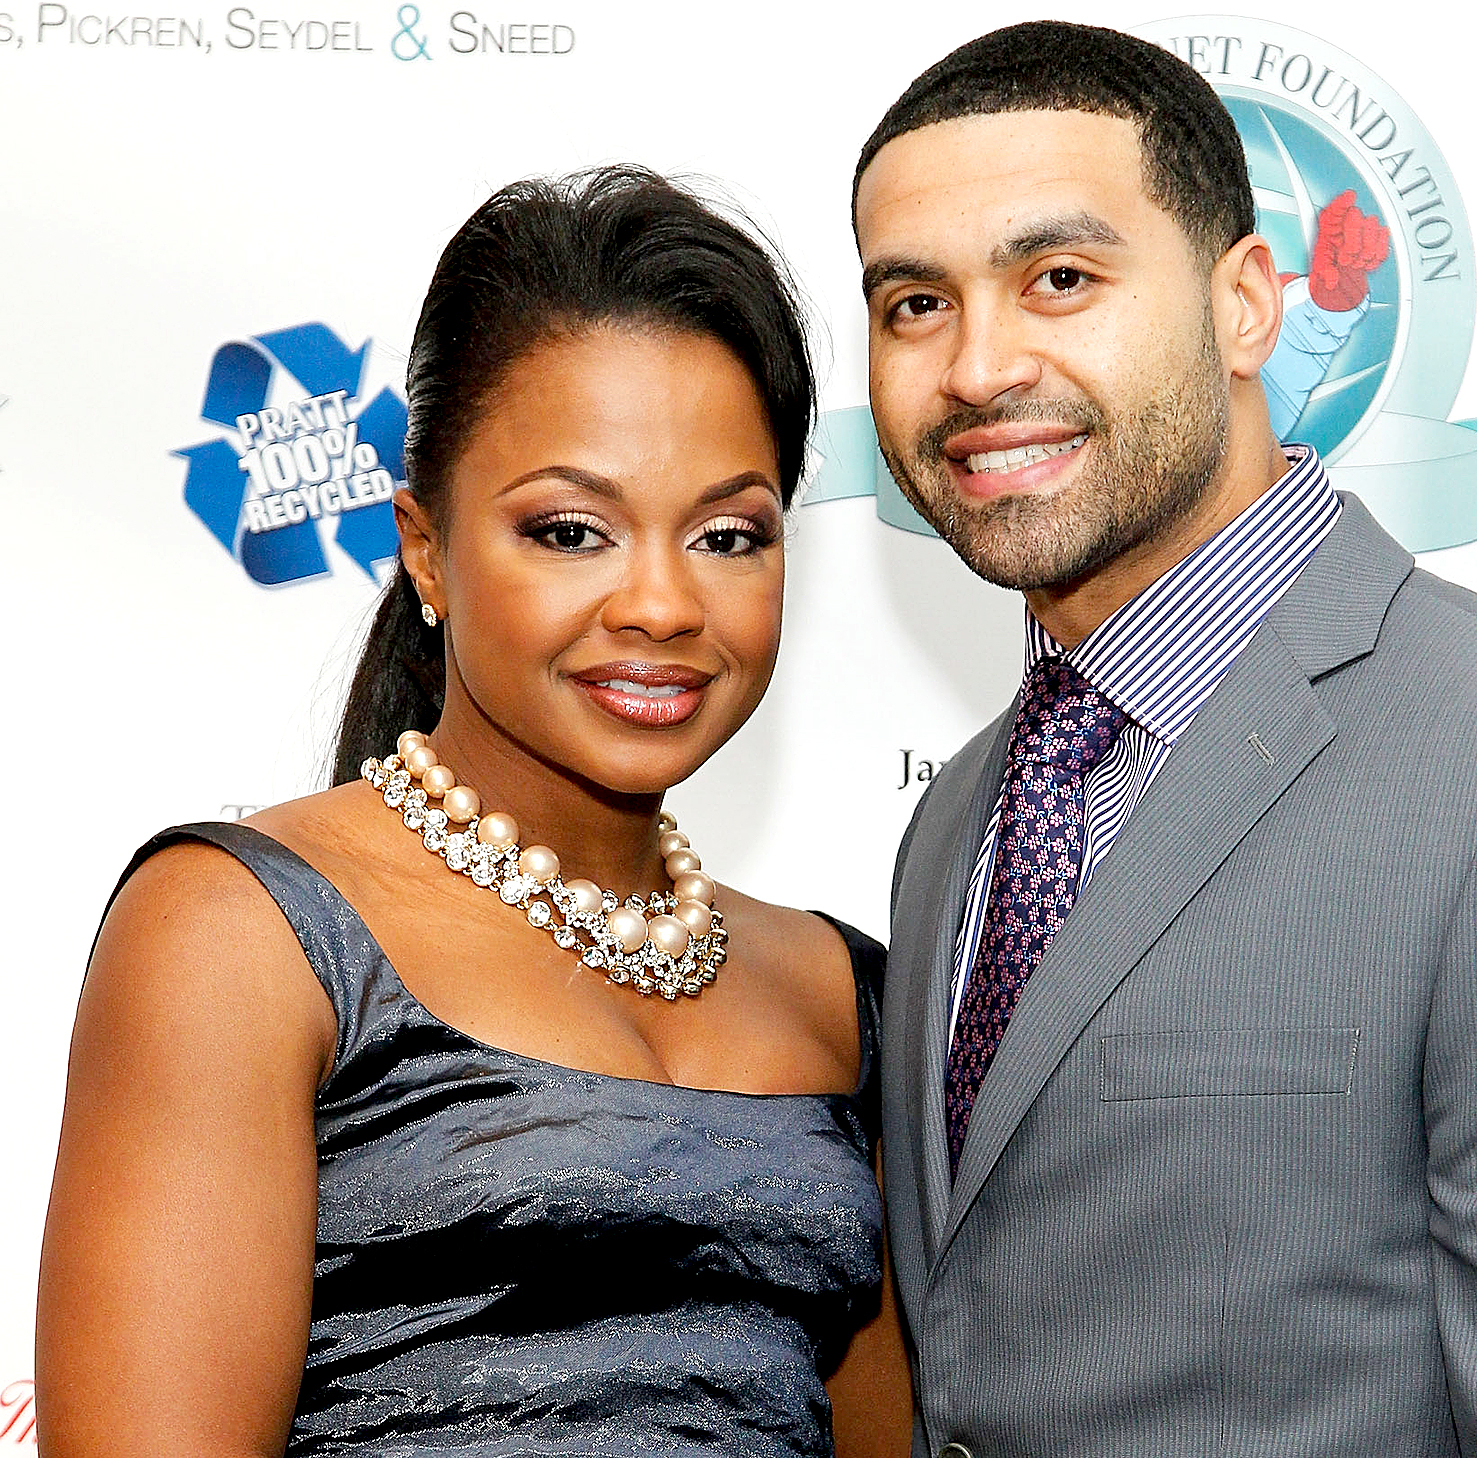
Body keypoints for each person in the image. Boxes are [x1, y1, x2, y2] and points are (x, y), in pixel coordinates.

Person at [854, 21, 1477, 1458]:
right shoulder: (959, 819)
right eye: (915, 303)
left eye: (1060, 278)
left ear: (1247, 305)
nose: (978, 366)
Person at [37, 166, 910, 1457]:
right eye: (570, 530)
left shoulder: (843, 990)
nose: (662, 603)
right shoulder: (248, 930)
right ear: (426, 545)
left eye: (728, 534)